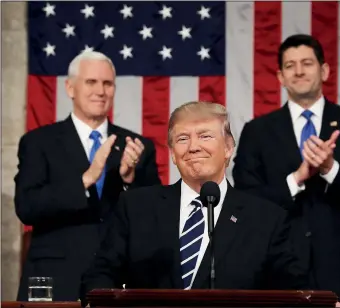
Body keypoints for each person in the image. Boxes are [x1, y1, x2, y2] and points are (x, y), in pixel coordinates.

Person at [80, 101, 308, 304]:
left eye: (205, 136)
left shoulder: (266, 218)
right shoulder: (136, 207)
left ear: (228, 148)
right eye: (182, 139)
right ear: (172, 154)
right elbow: (100, 275)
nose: (193, 147)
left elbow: (294, 290)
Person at [232, 34, 340, 302]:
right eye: (290, 65)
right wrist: (296, 179)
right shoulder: (256, 132)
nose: (299, 71)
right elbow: (245, 202)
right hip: (277, 270)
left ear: (324, 70)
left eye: (307, 63)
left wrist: (331, 169)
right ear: (280, 76)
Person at [15, 51, 161, 301]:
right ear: (70, 88)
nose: (101, 91)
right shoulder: (39, 142)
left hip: (118, 280)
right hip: (56, 278)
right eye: (91, 82)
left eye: (107, 84)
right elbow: (27, 207)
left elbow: (155, 216)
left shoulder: (137, 146)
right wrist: (85, 180)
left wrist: (129, 180)